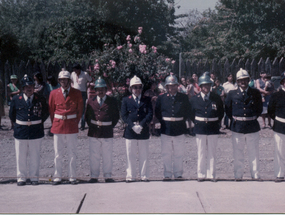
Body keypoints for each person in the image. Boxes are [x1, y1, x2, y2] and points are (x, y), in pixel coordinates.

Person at [9, 74, 49, 186]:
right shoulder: (17, 99)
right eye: (26, 87)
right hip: (21, 131)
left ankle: (34, 178)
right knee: (20, 156)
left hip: (36, 131)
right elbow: (12, 115)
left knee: (35, 156)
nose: (29, 88)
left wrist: (38, 122)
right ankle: (21, 178)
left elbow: (46, 112)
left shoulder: (40, 98)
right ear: (22, 88)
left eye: (31, 86)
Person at [225, 68, 263, 181]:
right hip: (238, 126)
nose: (243, 82)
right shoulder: (232, 94)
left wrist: (252, 117)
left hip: (252, 125)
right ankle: (238, 175)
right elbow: (228, 110)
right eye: (240, 80)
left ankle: (255, 175)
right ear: (237, 81)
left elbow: (259, 109)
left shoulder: (255, 93)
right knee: (238, 152)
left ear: (248, 80)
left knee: (254, 152)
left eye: (245, 80)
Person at [49, 70, 83, 185]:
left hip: (71, 126)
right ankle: (57, 176)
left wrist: (74, 121)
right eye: (61, 80)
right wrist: (55, 122)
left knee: (72, 152)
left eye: (66, 80)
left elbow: (80, 110)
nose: (64, 82)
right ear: (59, 81)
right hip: (58, 126)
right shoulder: (53, 93)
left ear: (70, 81)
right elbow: (51, 111)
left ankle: (72, 176)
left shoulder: (77, 93)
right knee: (58, 153)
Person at [155, 74, 191, 181]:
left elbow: (187, 111)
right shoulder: (161, 98)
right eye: (169, 86)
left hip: (179, 128)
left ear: (177, 86)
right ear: (166, 87)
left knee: (178, 153)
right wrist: (162, 121)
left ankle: (178, 173)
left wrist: (181, 120)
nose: (172, 88)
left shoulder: (183, 98)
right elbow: (157, 111)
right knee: (166, 153)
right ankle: (167, 174)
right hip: (166, 128)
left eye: (174, 85)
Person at [189, 74, 224, 182]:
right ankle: (201, 174)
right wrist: (197, 122)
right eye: (204, 85)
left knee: (212, 152)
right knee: (201, 152)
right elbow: (191, 113)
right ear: (200, 86)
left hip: (213, 127)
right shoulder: (194, 99)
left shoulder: (216, 98)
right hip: (200, 127)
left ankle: (211, 174)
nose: (206, 87)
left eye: (208, 85)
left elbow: (221, 113)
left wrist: (216, 122)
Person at [85, 77, 120, 183]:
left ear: (106, 90)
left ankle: (107, 175)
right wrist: (93, 126)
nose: (100, 91)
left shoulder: (112, 101)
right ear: (95, 90)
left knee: (107, 155)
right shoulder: (91, 101)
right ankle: (94, 176)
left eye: (102, 89)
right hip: (94, 132)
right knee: (94, 155)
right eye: (98, 89)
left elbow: (116, 117)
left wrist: (108, 126)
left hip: (107, 131)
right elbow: (87, 116)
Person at [121, 75, 153, 182]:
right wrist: (133, 126)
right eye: (135, 87)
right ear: (131, 89)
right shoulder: (126, 100)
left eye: (139, 87)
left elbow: (149, 114)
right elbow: (124, 115)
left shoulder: (147, 100)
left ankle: (144, 175)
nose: (137, 90)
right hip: (130, 130)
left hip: (143, 130)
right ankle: (131, 176)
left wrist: (142, 125)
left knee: (144, 155)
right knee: (130, 155)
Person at [268, 71, 285, 182]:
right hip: (280, 125)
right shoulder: (276, 95)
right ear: (283, 82)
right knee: (279, 150)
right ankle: (280, 174)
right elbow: (271, 111)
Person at [70, 63, 92, 130]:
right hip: (74, 93)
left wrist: (87, 86)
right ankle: (75, 124)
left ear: (79, 69)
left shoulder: (85, 74)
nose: (75, 72)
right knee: (74, 109)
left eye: (76, 70)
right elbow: (71, 81)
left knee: (82, 109)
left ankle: (82, 125)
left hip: (82, 93)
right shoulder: (73, 74)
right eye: (74, 70)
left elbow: (90, 81)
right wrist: (72, 86)